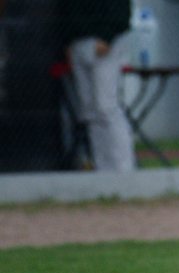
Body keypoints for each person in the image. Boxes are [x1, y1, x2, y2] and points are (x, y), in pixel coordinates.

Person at [61, 0, 135, 172]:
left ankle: (124, 168)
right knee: (89, 111)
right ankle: (103, 168)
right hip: (78, 42)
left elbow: (121, 12)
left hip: (104, 40)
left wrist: (107, 36)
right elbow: (67, 10)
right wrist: (67, 41)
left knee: (106, 106)